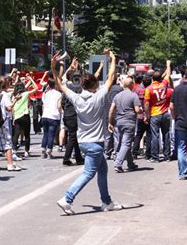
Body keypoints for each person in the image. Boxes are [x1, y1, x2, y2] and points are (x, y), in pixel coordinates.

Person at [54, 50, 122, 215]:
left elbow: (60, 84)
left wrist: (53, 65)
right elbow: (112, 76)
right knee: (88, 173)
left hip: (83, 141)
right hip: (95, 142)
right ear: (94, 85)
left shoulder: (76, 98)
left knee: (103, 170)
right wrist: (112, 59)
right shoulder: (98, 97)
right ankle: (67, 198)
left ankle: (106, 201)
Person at [108, 77, 141, 173]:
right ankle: (118, 164)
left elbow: (111, 110)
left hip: (119, 122)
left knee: (124, 143)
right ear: (131, 85)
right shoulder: (133, 95)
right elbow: (137, 110)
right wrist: (141, 110)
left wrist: (110, 122)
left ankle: (130, 163)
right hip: (129, 122)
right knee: (126, 143)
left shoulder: (117, 96)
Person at [0, 80, 21, 171]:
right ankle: (10, 164)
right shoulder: (3, 96)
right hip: (3, 123)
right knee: (7, 143)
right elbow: (9, 108)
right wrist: (15, 100)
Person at [144, 61, 172, 163]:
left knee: (155, 135)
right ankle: (167, 156)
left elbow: (146, 104)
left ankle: (155, 157)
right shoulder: (164, 84)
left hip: (155, 114)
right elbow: (168, 74)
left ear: (152, 79)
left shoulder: (149, 89)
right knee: (166, 134)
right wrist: (168, 64)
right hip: (165, 113)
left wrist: (147, 116)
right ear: (161, 78)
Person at [11, 75, 39, 158]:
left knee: (16, 134)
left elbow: (12, 107)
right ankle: (26, 151)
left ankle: (14, 150)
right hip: (25, 115)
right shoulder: (26, 94)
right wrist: (31, 79)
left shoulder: (14, 96)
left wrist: (13, 117)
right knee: (27, 134)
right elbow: (36, 88)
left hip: (17, 116)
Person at [62, 71, 84, 166]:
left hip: (67, 113)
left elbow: (62, 102)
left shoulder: (68, 88)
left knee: (74, 136)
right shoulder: (81, 89)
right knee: (73, 136)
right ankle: (66, 158)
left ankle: (78, 158)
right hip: (74, 114)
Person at [41, 78, 62, 159]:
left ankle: (43, 150)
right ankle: (49, 151)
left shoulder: (46, 93)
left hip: (45, 115)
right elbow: (59, 106)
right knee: (51, 135)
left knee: (45, 134)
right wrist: (60, 113)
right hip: (53, 116)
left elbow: (43, 104)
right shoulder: (58, 94)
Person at [132, 76, 152, 159]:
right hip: (149, 114)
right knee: (149, 135)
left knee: (138, 135)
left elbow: (134, 102)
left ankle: (135, 152)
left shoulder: (137, 90)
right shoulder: (150, 90)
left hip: (140, 115)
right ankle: (148, 154)